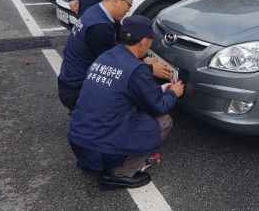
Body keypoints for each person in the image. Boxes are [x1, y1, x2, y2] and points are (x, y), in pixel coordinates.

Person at [68, 15, 185, 190]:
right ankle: (120, 172)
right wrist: (174, 93)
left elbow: (124, 91)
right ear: (144, 40)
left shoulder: (105, 57)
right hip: (101, 151)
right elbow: (158, 105)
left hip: (79, 144)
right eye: (151, 39)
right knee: (163, 121)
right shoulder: (136, 71)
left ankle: (92, 162)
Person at [58, 0, 172, 110]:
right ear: (117, 0)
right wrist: (150, 69)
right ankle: (100, 118)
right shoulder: (99, 27)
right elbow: (116, 66)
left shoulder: (97, 11)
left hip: (71, 80)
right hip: (77, 90)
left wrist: (145, 57)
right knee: (131, 99)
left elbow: (122, 44)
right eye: (128, 5)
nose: (129, 10)